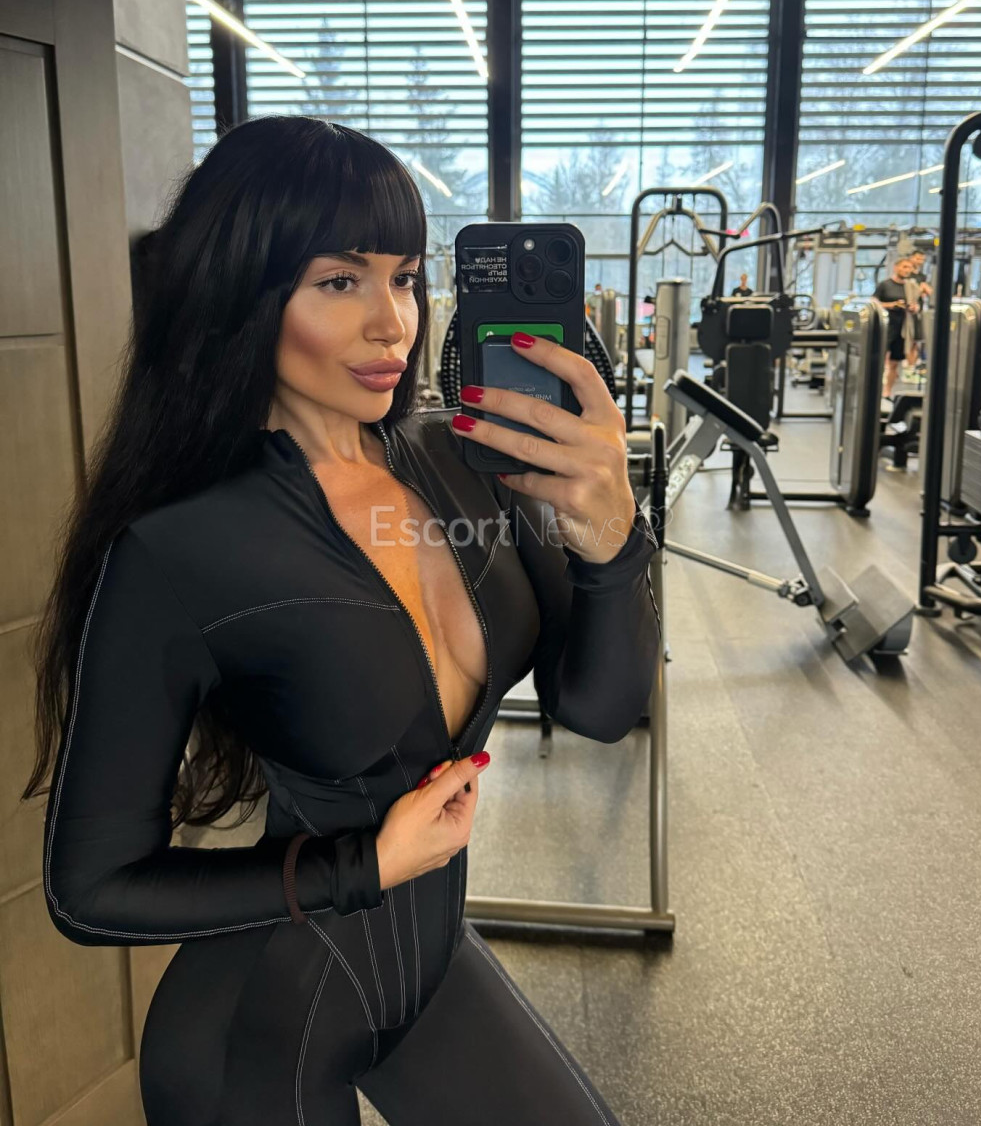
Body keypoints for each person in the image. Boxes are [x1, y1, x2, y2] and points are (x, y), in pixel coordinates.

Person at [24, 117, 661, 1126]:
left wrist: (614, 537)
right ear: (241, 294)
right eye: (338, 281)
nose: (392, 324)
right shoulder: (180, 549)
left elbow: (598, 710)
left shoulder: (464, 461)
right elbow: (88, 890)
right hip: (255, 1029)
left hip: (427, 967)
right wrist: (365, 865)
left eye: (404, 278)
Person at [874, 257, 920, 398]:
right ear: (896, 268)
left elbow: (917, 305)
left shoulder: (911, 287)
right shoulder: (885, 285)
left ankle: (887, 392)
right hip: (885, 327)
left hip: (902, 328)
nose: (907, 270)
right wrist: (891, 305)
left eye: (910, 268)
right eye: (904, 267)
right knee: (879, 360)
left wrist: (914, 308)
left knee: (894, 363)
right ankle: (874, 389)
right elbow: (874, 302)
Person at [903, 250, 933, 369]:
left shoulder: (921, 276)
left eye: (922, 260)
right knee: (907, 340)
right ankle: (906, 365)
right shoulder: (906, 276)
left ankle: (912, 366)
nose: (920, 262)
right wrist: (919, 289)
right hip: (906, 312)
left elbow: (928, 291)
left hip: (918, 311)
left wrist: (922, 289)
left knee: (916, 340)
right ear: (911, 258)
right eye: (918, 258)